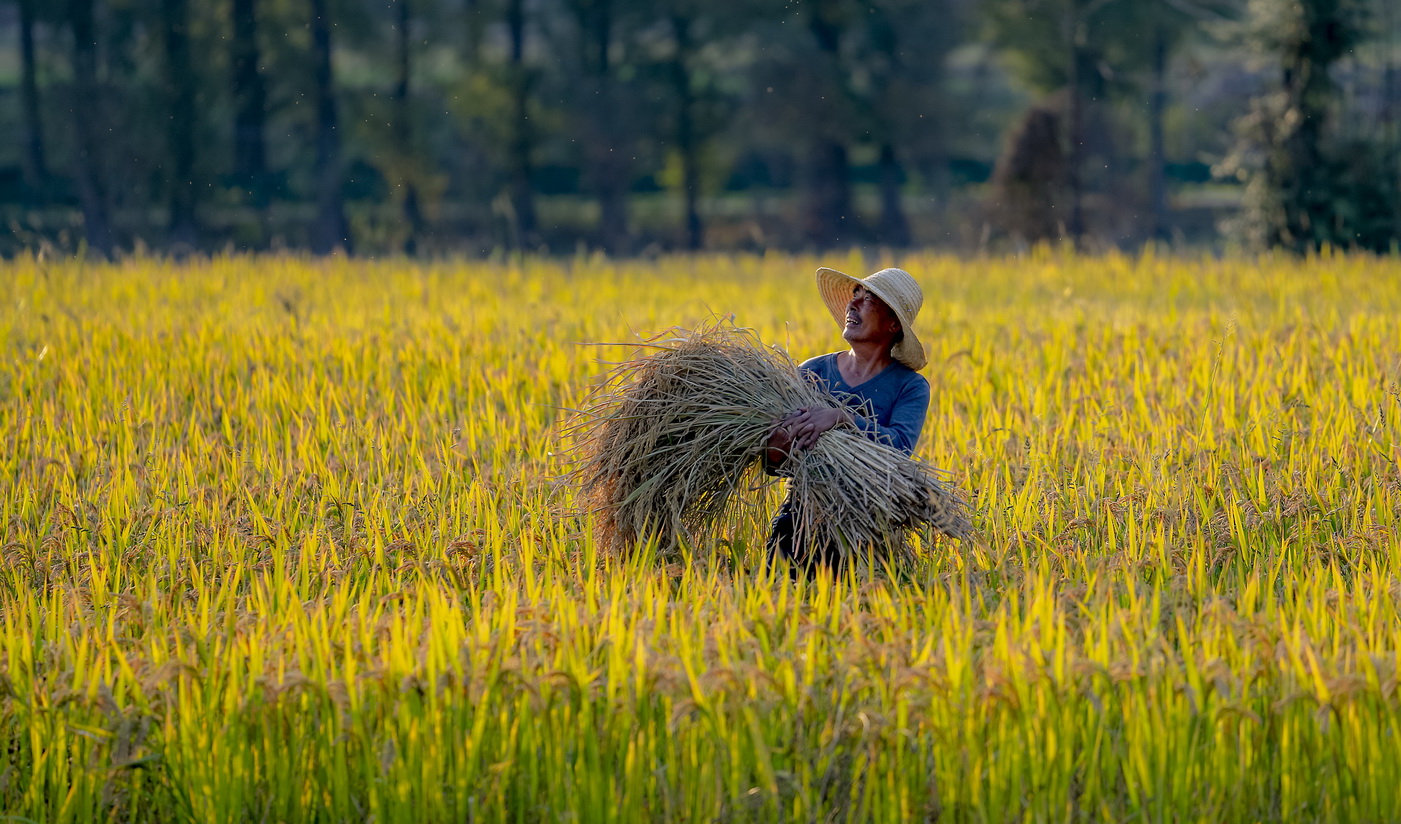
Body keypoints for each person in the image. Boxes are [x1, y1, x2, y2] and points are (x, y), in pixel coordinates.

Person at [764, 266, 932, 573]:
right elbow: (774, 464)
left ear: (894, 323)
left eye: (867, 299)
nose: (852, 304)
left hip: (866, 530)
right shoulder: (812, 373)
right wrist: (775, 444)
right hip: (799, 524)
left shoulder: (910, 386)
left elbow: (899, 447)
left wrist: (842, 418)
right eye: (854, 295)